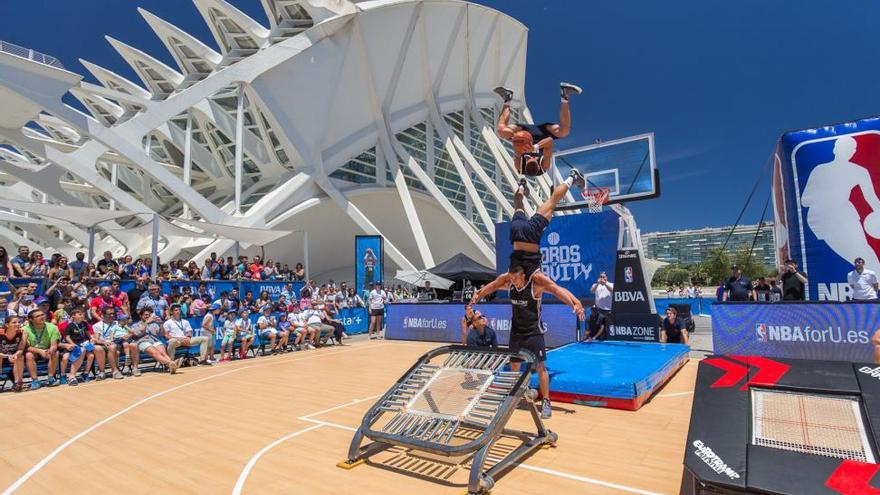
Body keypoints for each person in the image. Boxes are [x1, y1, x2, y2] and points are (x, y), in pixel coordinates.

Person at [471, 264, 585, 419]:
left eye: (516, 279)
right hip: (517, 332)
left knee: (540, 367)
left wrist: (575, 303)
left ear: (524, 276)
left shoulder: (536, 287)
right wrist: (479, 295)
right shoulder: (510, 284)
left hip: (534, 332)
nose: (513, 282)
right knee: (515, 366)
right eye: (511, 279)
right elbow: (493, 285)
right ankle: (515, 396)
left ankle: (546, 401)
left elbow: (558, 290)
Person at [509, 168, 586, 279]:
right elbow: (495, 284)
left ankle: (573, 177)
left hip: (530, 236)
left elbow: (555, 289)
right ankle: (521, 186)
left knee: (553, 201)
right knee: (518, 205)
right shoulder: (513, 277)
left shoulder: (536, 280)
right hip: (517, 231)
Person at [494, 83, 582, 176]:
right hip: (542, 135)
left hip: (524, 133)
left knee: (501, 131)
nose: (531, 159)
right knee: (564, 132)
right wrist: (534, 147)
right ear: (538, 165)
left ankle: (507, 98)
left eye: (529, 162)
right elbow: (550, 141)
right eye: (534, 162)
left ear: (526, 165)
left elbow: (516, 149)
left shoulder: (519, 166)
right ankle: (565, 95)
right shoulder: (544, 166)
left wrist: (518, 149)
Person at [129, 308, 178, 373]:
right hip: (143, 341)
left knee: (163, 353)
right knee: (155, 353)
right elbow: (138, 334)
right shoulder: (135, 325)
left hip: (154, 340)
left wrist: (160, 323)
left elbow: (162, 333)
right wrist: (147, 322)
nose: (147, 316)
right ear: (141, 316)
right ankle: (171, 363)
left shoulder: (154, 324)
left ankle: (171, 365)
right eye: (145, 315)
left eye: (149, 315)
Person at [23, 309, 61, 389]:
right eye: (38, 316)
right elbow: (26, 347)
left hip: (47, 350)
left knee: (55, 352)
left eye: (42, 315)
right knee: (28, 355)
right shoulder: (25, 329)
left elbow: (54, 345)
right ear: (31, 319)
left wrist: (51, 350)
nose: (42, 317)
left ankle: (51, 379)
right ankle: (35, 380)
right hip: (33, 351)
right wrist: (40, 351)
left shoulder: (52, 327)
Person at [57, 308, 94, 386]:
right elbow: (67, 337)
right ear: (73, 316)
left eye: (82, 314)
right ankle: (70, 376)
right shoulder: (70, 326)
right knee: (80, 351)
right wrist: (73, 344)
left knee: (91, 356)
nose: (82, 316)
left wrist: (91, 339)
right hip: (74, 345)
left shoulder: (84, 324)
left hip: (85, 344)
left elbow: (88, 333)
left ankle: (85, 373)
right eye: (79, 314)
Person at [90, 306, 126, 380]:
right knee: (97, 348)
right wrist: (104, 342)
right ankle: (102, 372)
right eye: (109, 314)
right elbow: (96, 339)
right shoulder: (97, 325)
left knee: (112, 346)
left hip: (117, 344)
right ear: (103, 315)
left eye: (113, 313)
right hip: (102, 344)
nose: (112, 315)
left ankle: (115, 371)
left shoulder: (117, 323)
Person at [0, 315, 27, 392]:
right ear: (7, 325)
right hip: (2, 356)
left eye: (19, 322)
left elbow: (21, 349)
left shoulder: (23, 333)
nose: (17, 324)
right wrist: (8, 356)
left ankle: (18, 383)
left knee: (20, 357)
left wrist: (15, 355)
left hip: (13, 357)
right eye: (14, 322)